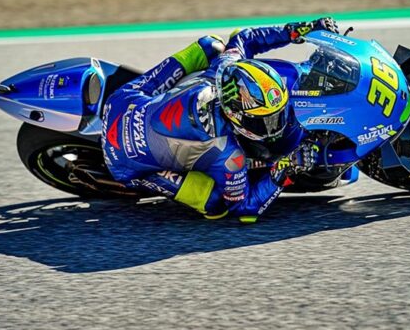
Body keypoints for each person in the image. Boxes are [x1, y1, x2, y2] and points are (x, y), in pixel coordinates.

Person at [101, 18, 340, 222]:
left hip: (121, 101)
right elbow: (245, 210)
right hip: (123, 161)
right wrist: (284, 169)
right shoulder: (228, 155)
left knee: (211, 45)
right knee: (216, 205)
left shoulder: (224, 68)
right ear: (237, 116)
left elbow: (245, 38)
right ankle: (149, 177)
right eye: (266, 121)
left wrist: (296, 31)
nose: (275, 127)